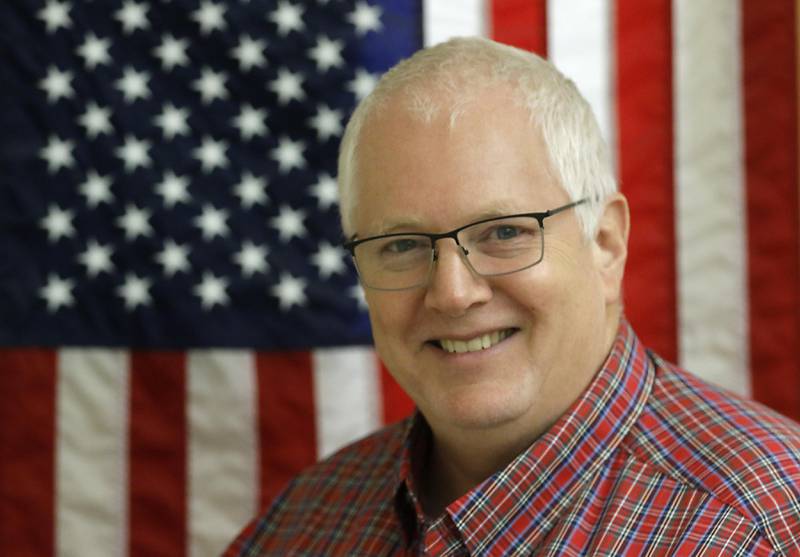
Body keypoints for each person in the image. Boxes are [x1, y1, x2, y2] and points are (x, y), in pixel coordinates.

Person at [225, 37, 800, 556]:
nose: (453, 294)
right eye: (401, 245)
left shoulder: (765, 527)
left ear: (606, 244)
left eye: (504, 233)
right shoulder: (301, 524)